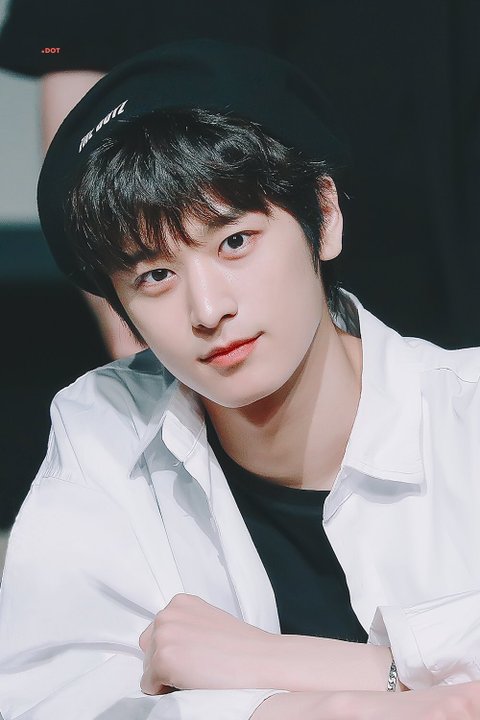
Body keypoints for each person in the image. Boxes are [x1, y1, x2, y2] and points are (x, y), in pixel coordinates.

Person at [1, 39, 480, 720]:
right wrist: (377, 704)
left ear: (324, 216)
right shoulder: (106, 428)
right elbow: (52, 704)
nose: (207, 309)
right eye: (155, 275)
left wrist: (278, 664)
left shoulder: (467, 411)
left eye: (235, 242)